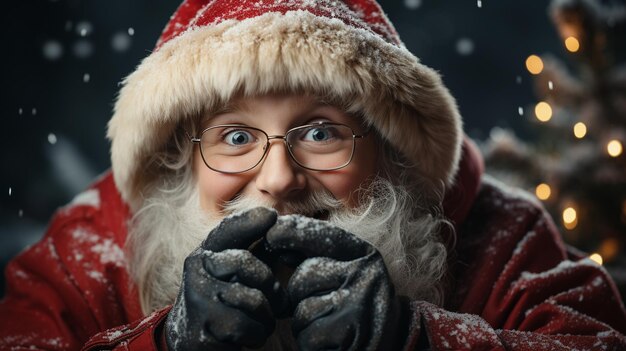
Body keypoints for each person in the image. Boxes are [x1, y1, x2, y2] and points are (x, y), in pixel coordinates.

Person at [1, 0, 625, 349]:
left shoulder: (498, 231)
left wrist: (419, 340)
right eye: (237, 136)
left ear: (390, 150)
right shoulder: (90, 248)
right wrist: (163, 344)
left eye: (321, 132)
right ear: (179, 159)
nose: (277, 179)